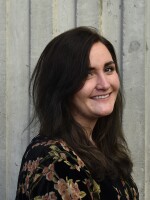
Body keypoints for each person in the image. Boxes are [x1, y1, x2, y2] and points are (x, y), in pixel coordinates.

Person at [15, 26, 139, 200]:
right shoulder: (52, 159)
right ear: (62, 85)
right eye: (88, 73)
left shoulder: (102, 148)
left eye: (109, 69)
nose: (104, 84)